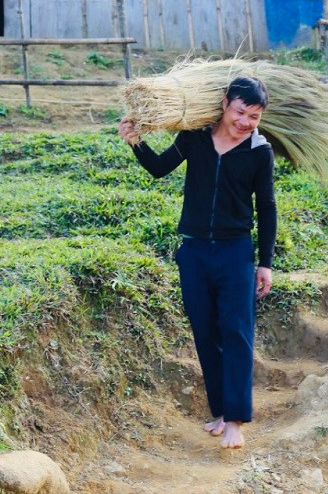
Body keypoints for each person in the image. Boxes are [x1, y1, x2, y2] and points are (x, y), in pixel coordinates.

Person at [118, 76, 277, 449]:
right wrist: (135, 141)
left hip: (235, 251)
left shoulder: (260, 150)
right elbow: (159, 168)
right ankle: (220, 412)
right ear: (224, 104)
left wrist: (265, 263)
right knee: (205, 332)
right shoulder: (195, 136)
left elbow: (267, 208)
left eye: (254, 116)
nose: (245, 122)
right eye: (240, 112)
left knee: (236, 332)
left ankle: (236, 420)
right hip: (194, 252)